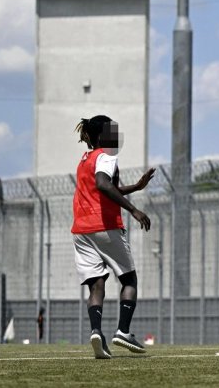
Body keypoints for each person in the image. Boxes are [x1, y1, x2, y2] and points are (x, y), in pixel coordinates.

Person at [72, 115, 154, 359]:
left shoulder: (85, 158)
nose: (116, 136)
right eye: (111, 131)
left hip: (81, 230)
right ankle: (124, 331)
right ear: (101, 135)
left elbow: (107, 187)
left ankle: (96, 332)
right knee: (129, 279)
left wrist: (135, 188)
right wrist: (133, 209)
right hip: (104, 226)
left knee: (96, 285)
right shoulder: (106, 156)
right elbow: (102, 184)